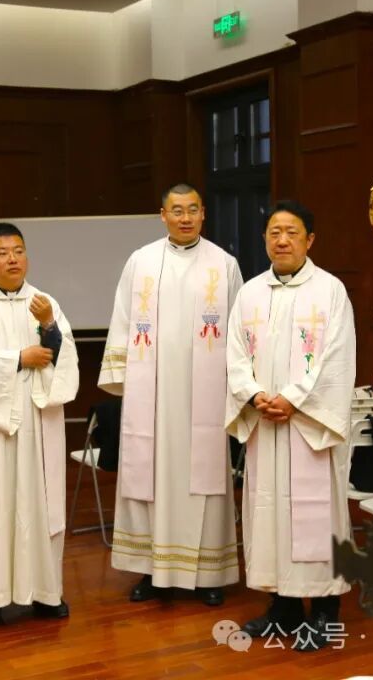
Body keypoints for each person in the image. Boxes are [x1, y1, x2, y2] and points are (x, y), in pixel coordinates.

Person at [99, 183, 243, 605]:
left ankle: (209, 574)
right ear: (163, 215)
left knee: (206, 483)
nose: (185, 217)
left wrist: (240, 385)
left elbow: (239, 331)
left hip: (206, 395)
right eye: (177, 210)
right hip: (154, 396)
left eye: (192, 209)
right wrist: (125, 377)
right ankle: (152, 571)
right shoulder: (141, 262)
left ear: (203, 214)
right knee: (152, 478)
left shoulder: (224, 264)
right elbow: (123, 319)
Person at [225, 201, 356, 650]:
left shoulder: (330, 291)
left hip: (309, 427)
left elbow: (337, 357)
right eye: (274, 232)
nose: (282, 240)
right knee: (269, 514)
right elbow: (235, 353)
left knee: (315, 517)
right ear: (264, 239)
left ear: (310, 240)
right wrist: (253, 394)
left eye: (292, 232)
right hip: (266, 423)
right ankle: (281, 607)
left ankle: (324, 611)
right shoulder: (250, 293)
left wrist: (294, 399)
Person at [0, 222, 79, 629]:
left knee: (41, 506)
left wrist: (49, 326)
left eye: (19, 251)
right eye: (2, 253)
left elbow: (63, 357)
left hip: (39, 422)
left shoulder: (44, 303)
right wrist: (19, 358)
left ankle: (47, 593)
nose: (12, 259)